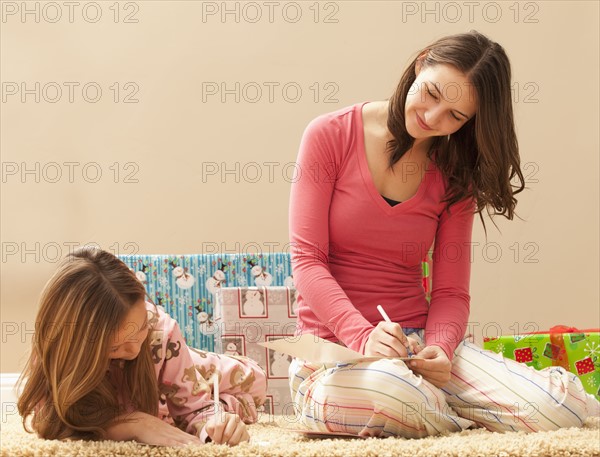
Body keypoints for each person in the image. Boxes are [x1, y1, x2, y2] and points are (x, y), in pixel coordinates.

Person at [288, 30, 600, 438]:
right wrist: (363, 337)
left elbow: (451, 291)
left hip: (416, 348)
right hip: (330, 353)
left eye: (455, 116)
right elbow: (307, 261)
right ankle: (455, 414)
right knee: (394, 391)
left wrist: (442, 348)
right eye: (432, 94)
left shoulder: (455, 171)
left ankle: (434, 407)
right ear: (420, 64)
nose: (433, 119)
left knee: (563, 407)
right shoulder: (329, 134)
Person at [17, 247, 267, 446]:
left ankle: (226, 403)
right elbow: (48, 421)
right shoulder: (58, 349)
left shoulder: (159, 333)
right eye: (116, 347)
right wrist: (133, 423)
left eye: (140, 330)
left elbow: (194, 408)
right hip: (149, 393)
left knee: (255, 381)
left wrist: (216, 423)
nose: (134, 350)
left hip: (174, 359)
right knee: (164, 414)